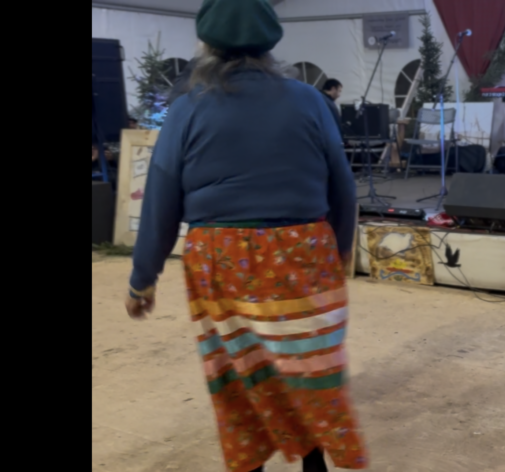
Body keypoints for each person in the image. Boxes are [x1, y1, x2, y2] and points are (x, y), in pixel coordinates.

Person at [123, 1, 366, 471]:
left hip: (222, 257)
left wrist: (142, 279)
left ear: (207, 44)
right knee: (306, 365)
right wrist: (336, 253)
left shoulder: (186, 108)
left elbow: (160, 199)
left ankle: (249, 463)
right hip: (304, 249)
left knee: (237, 371)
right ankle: (314, 463)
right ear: (269, 43)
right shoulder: (311, 99)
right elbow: (343, 187)